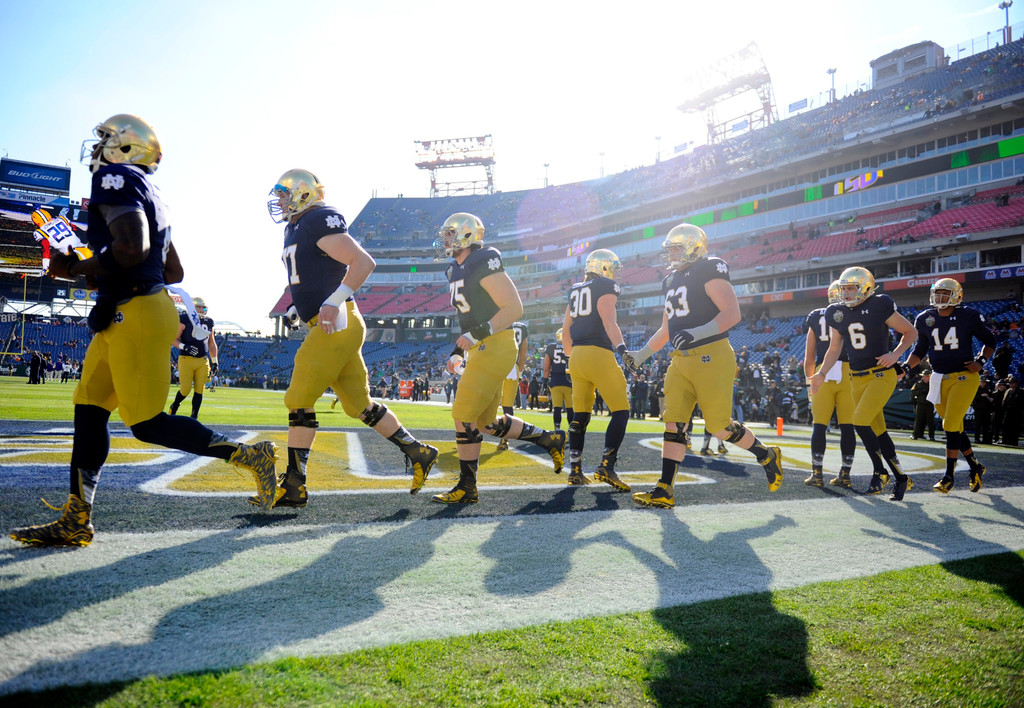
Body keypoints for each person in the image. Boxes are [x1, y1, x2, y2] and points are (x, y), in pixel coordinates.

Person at [10, 114, 278, 548]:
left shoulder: (114, 178)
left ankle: (249, 455)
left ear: (125, 148)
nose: (97, 147)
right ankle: (76, 519)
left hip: (135, 314)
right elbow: (172, 269)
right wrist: (95, 273)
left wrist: (75, 267)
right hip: (127, 310)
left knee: (146, 423)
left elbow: (132, 248)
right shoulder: (153, 194)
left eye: (105, 139)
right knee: (89, 412)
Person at [261, 169, 438, 507]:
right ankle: (418, 452)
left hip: (336, 323)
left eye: (284, 194)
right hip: (331, 323)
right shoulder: (295, 227)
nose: (279, 201)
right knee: (359, 405)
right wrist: (299, 307)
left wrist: (332, 301)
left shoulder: (317, 219)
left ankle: (294, 485)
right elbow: (311, 274)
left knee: (298, 399)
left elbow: (362, 262)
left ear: (303, 194)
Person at [626, 223, 784, 508]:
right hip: (680, 360)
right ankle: (664, 489)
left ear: (693, 246)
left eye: (676, 248)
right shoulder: (670, 280)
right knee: (674, 423)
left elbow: (732, 313)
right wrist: (641, 355)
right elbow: (666, 329)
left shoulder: (709, 267)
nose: (671, 254)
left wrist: (696, 333)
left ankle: (766, 454)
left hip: (712, 355)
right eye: (670, 249)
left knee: (719, 426)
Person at [434, 212, 565, 503]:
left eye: (450, 234)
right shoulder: (455, 269)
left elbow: (514, 308)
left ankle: (467, 487)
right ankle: (549, 439)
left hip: (495, 344)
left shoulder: (483, 260)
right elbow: (470, 319)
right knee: (486, 423)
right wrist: (458, 350)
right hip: (483, 346)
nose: (445, 240)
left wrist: (477, 335)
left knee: (462, 417)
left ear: (467, 235)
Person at [810, 266, 918, 501]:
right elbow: (834, 349)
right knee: (879, 431)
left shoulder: (879, 304)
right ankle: (901, 477)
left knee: (859, 421)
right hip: (856, 378)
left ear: (866, 287)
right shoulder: (837, 312)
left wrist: (895, 354)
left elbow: (910, 332)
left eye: (851, 288)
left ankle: (881, 472)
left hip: (880, 374)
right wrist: (822, 373)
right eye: (844, 289)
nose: (846, 293)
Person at [904, 278, 995, 493]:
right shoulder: (924, 318)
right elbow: (920, 350)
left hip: (964, 376)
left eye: (945, 293)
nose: (940, 297)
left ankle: (948, 476)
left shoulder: (968, 315)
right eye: (937, 293)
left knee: (950, 424)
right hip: (938, 378)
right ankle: (975, 466)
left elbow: (990, 341)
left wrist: (981, 361)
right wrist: (906, 367)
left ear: (956, 296)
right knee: (954, 427)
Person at [560, 248, 632, 491]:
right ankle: (606, 466)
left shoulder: (575, 289)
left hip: (576, 356)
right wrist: (622, 349)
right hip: (598, 353)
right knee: (621, 410)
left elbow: (566, 329)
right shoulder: (605, 286)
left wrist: (571, 357)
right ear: (604, 267)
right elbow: (609, 321)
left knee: (580, 416)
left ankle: (575, 470)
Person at [802, 280, 857, 487]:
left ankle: (817, 474)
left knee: (819, 425)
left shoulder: (816, 316)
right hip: (849, 372)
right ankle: (845, 474)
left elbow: (809, 357)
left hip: (821, 372)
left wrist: (810, 382)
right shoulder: (854, 313)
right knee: (847, 426)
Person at [169, 296, 217, 419]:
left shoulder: (209, 321)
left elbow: (211, 343)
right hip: (186, 359)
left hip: (202, 360)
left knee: (200, 390)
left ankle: (194, 417)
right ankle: (175, 405)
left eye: (203, 308)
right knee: (185, 390)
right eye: (198, 307)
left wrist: (215, 362)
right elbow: (173, 339)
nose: (201, 310)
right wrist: (184, 346)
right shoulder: (185, 319)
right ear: (192, 307)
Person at [496, 320, 529, 451]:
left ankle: (472, 431)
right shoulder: (522, 327)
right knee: (507, 405)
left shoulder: (501, 320)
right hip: (512, 367)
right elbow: (523, 353)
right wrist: (519, 370)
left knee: (489, 400)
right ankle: (505, 439)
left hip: (498, 364)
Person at [542, 327, 573, 430]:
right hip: (569, 381)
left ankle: (557, 430)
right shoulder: (572, 346)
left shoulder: (551, 347)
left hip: (555, 381)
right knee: (570, 409)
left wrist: (544, 381)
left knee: (557, 408)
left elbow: (546, 368)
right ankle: (571, 430)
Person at [910, 369, 936, 441]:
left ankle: (931, 436)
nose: (925, 378)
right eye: (924, 376)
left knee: (930, 421)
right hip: (920, 404)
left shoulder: (932, 384)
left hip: (929, 404)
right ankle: (915, 435)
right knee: (918, 420)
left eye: (927, 376)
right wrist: (921, 391)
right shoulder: (918, 384)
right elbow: (913, 392)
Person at [972, 378, 994, 445]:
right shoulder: (975, 389)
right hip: (978, 409)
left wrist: (991, 399)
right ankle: (977, 438)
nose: (983, 383)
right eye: (982, 382)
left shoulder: (988, 390)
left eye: (984, 382)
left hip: (986, 410)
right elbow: (973, 398)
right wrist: (981, 395)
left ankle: (985, 439)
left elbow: (991, 398)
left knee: (986, 425)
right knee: (977, 425)